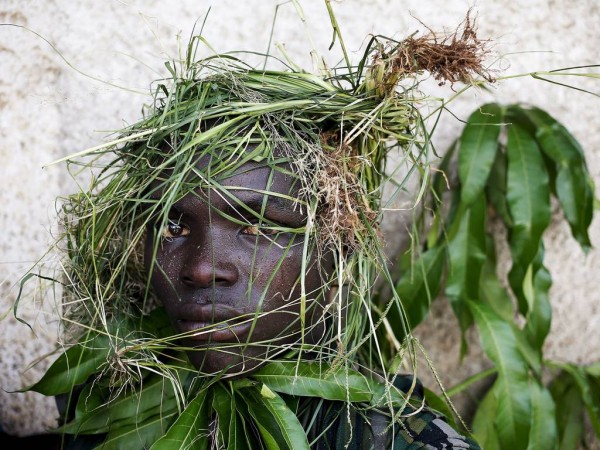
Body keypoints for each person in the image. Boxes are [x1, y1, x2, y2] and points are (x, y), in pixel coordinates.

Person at [18, 28, 484, 450]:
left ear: (340, 247)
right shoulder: (105, 410)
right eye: (172, 227)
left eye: (258, 227)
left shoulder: (397, 440)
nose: (201, 269)